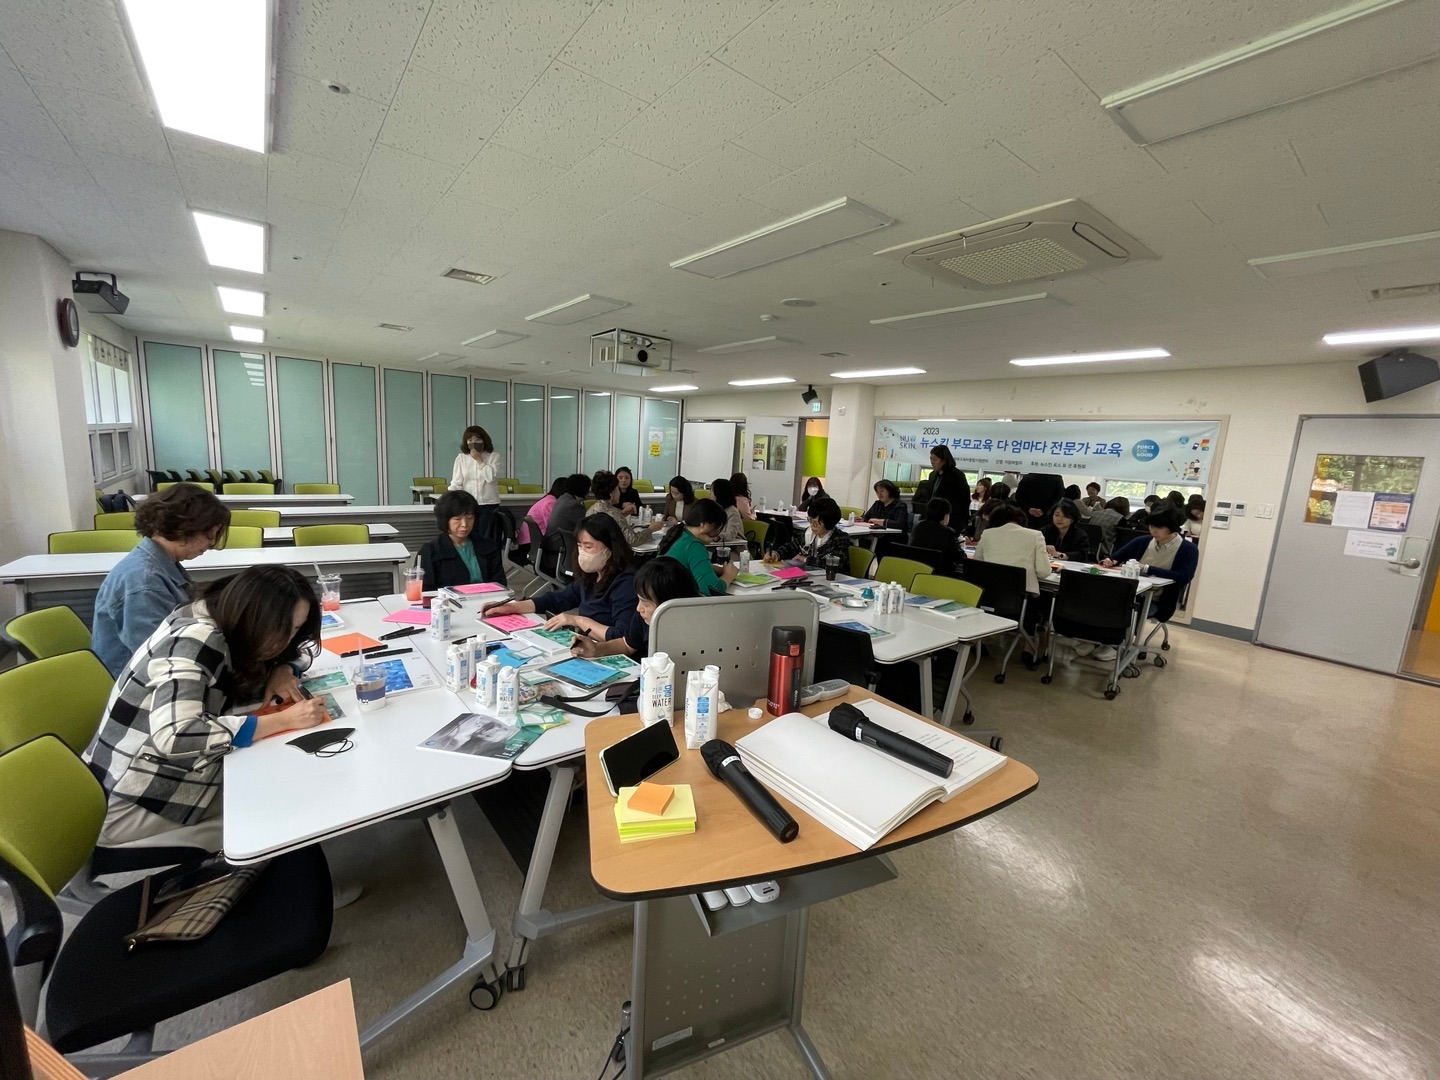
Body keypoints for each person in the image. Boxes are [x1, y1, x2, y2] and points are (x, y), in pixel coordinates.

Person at [84, 566, 326, 850]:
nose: (284, 641)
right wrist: (283, 720)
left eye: (294, 629)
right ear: (252, 614)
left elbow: (298, 650)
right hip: (132, 798)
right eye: (280, 629)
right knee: (283, 801)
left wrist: (283, 668)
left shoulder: (218, 614)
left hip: (141, 776)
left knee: (277, 778)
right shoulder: (194, 639)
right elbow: (175, 734)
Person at [91, 483, 231, 677]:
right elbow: (159, 656)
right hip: (141, 683)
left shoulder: (161, 563)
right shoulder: (144, 583)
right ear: (183, 527)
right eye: (209, 534)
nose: (212, 543)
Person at [484, 513, 640, 644]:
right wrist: (512, 607)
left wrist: (578, 620)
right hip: (586, 643)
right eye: (579, 546)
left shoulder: (626, 582)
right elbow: (558, 599)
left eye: (588, 546)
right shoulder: (593, 573)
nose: (582, 552)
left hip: (608, 650)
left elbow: (622, 637)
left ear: (610, 547)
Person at [569, 556, 700, 659]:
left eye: (646, 603)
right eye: (639, 599)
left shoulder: (698, 628)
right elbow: (627, 645)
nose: (638, 608)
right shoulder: (643, 616)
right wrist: (596, 649)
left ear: (671, 604)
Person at [1101, 505, 1199, 642]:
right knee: (1103, 600)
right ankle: (1099, 640)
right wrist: (1110, 561)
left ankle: (1118, 643)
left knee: (1129, 609)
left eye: (1159, 527)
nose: (1154, 531)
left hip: (1159, 599)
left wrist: (1147, 568)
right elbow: (1116, 557)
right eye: (1152, 526)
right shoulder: (1143, 541)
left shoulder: (1188, 549)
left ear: (1172, 527)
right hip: (1130, 592)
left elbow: (1183, 577)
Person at [418, 490, 506, 588]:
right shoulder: (430, 552)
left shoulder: (488, 546)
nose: (464, 524)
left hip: (487, 597)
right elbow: (425, 590)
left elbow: (500, 583)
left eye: (469, 518)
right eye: (457, 519)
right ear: (445, 520)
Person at [656, 500, 737, 595]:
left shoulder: (680, 534)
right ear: (704, 524)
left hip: (663, 596)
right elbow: (712, 590)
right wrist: (728, 575)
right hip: (677, 600)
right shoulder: (694, 545)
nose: (716, 536)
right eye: (716, 530)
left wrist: (718, 570)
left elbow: (687, 564)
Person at [974, 503, 1051, 597]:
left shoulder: (987, 533)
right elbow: (1043, 572)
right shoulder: (1036, 535)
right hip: (1021, 594)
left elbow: (977, 564)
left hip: (989, 591)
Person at [449, 426, 503, 551]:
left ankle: (487, 561)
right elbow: (456, 483)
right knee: (469, 537)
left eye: (477, 439)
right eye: (470, 440)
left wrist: (480, 460)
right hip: (468, 505)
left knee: (487, 539)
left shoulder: (494, 457)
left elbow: (490, 477)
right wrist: (450, 499)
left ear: (484, 440)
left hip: (489, 505)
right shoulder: (461, 458)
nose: (473, 442)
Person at [771, 496, 851, 571]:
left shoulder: (840, 539)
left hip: (832, 578)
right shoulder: (809, 533)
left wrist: (806, 559)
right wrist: (776, 554)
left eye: (816, 523)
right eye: (810, 520)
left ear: (828, 522)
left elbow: (833, 564)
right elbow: (792, 547)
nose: (812, 525)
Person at [590, 469, 665, 547]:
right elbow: (633, 540)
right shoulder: (615, 514)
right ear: (611, 494)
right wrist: (651, 529)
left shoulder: (591, 509)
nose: (619, 492)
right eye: (617, 489)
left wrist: (622, 514)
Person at [512, 476, 566, 565]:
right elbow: (552, 526)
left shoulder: (548, 498)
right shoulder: (550, 502)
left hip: (529, 541)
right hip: (532, 544)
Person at [908, 497, 966, 574]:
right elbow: (959, 557)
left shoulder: (918, 526)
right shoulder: (948, 532)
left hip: (916, 570)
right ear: (945, 515)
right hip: (940, 574)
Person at [546, 473, 592, 540]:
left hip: (552, 541)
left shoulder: (562, 499)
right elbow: (585, 528)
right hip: (562, 543)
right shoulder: (575, 506)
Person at [926, 446, 969, 517]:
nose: (932, 462)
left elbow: (964, 499)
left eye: (935, 459)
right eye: (931, 459)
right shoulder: (932, 475)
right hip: (933, 516)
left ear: (944, 460)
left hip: (951, 516)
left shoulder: (957, 475)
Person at [708, 477, 747, 544]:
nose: (709, 494)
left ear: (719, 493)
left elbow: (730, 534)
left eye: (712, 490)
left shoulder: (732, 512)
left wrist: (716, 536)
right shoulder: (714, 510)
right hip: (717, 544)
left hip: (734, 547)